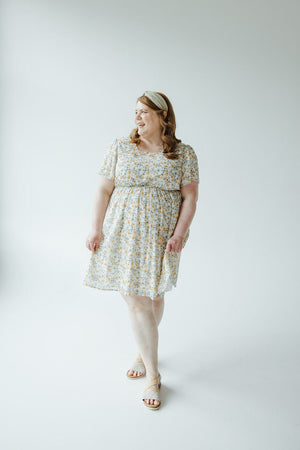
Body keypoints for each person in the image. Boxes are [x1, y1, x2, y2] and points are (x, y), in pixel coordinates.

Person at [83, 90, 199, 410]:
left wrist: (179, 233)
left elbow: (190, 197)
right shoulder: (120, 147)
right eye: (135, 111)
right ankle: (153, 375)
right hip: (123, 234)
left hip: (161, 237)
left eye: (144, 112)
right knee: (136, 303)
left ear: (163, 116)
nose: (137, 117)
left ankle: (142, 348)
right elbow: (103, 190)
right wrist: (95, 228)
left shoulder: (184, 154)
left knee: (154, 298)